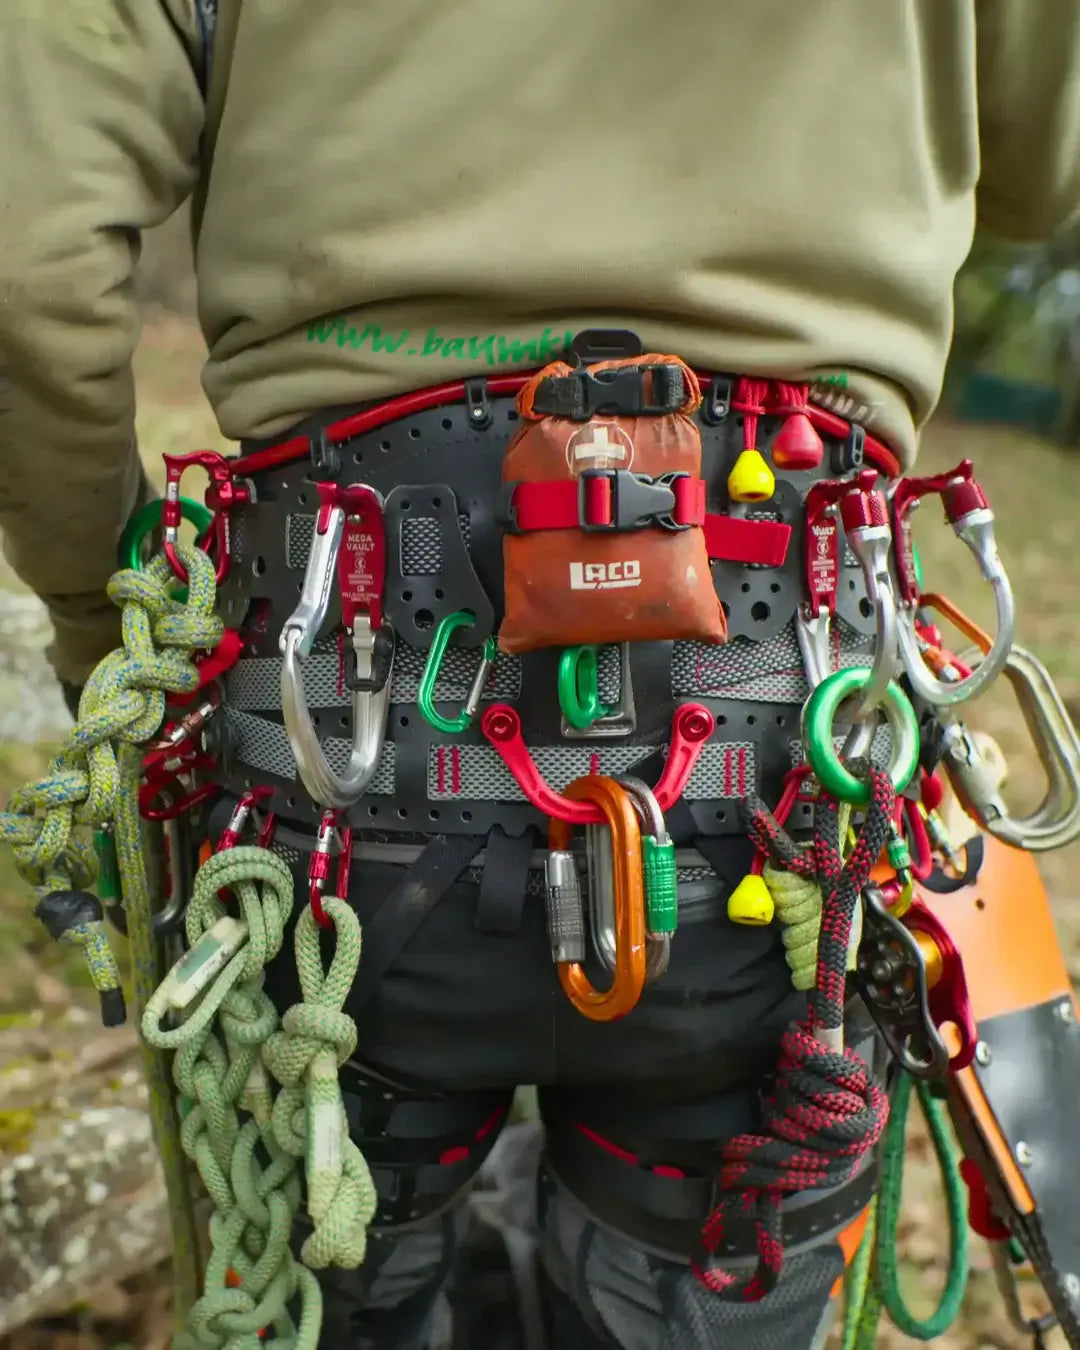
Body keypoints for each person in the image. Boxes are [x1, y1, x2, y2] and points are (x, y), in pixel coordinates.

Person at [3, 4, 1080, 1348]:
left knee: (321, 1269)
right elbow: (1041, 166)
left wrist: (101, 623)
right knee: (707, 1278)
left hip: (332, 796)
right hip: (788, 786)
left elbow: (27, 269)